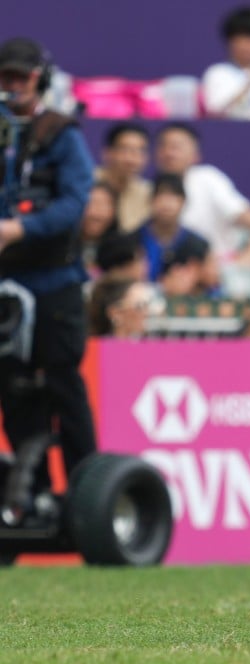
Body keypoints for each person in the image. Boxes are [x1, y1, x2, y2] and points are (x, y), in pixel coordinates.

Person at [0, 37, 97, 515]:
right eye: (6, 77)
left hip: (54, 281)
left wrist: (20, 228)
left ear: (39, 78)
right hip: (7, 287)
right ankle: (31, 492)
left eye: (21, 76)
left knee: (63, 384)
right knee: (14, 388)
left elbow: (74, 204)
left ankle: (86, 493)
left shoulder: (61, 134)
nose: (13, 85)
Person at [154, 123, 250, 291]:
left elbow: (240, 212)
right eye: (164, 146)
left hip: (223, 268)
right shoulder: (147, 189)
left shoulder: (207, 178)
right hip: (178, 275)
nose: (169, 153)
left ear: (195, 155)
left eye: (176, 147)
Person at [135, 173, 212, 285]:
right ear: (150, 200)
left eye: (173, 196)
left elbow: (212, 288)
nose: (167, 203)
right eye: (161, 196)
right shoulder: (132, 242)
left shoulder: (199, 246)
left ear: (184, 202)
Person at [94, 122, 152, 232]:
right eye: (124, 149)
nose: (131, 159)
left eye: (139, 151)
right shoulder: (87, 182)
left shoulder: (147, 194)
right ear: (107, 153)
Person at [86, 276, 159, 338]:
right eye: (139, 306)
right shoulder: (95, 350)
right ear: (116, 313)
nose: (146, 313)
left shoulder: (148, 347)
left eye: (146, 305)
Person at [80, 181, 121, 280]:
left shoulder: (120, 250)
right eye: (92, 203)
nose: (97, 212)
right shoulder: (64, 246)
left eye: (105, 204)